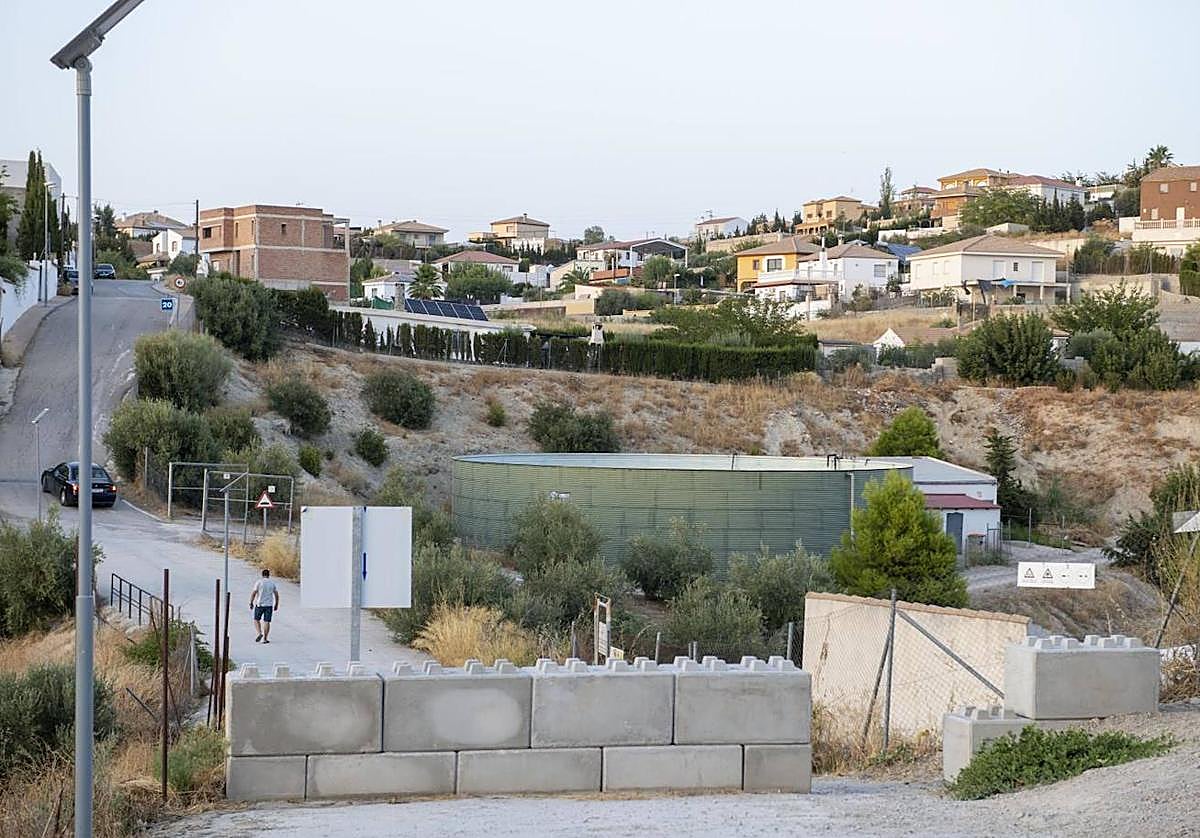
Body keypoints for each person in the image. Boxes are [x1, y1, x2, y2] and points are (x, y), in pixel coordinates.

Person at [250, 569, 280, 643]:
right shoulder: (272, 583)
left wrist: (251, 602)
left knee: (256, 619)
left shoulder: (259, 582)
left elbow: (254, 593)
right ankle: (265, 639)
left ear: (262, 575)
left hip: (259, 604)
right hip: (269, 605)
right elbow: (276, 595)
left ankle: (260, 633)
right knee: (267, 621)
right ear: (268, 575)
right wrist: (276, 604)